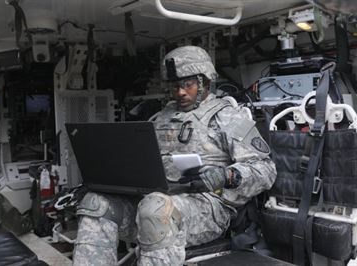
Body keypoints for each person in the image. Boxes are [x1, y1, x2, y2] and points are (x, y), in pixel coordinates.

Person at [73, 45, 276, 266]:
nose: (179, 92)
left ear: (204, 82)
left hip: (208, 209)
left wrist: (225, 176)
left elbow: (265, 169)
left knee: (157, 209)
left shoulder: (227, 117)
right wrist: (108, 182)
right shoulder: (161, 117)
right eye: (175, 86)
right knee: (95, 203)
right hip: (152, 203)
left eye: (187, 84)